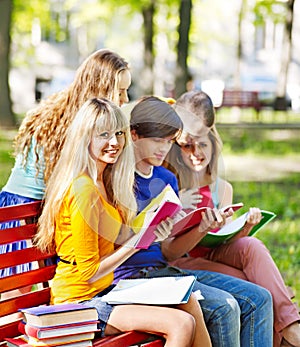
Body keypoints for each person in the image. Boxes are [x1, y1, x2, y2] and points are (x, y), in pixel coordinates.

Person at [34, 97, 210, 347]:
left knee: (188, 299)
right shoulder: (84, 190)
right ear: (85, 137)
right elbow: (89, 274)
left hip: (104, 293)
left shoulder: (103, 181)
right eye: (103, 134)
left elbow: (115, 239)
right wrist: (138, 242)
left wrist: (151, 227)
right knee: (180, 323)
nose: (115, 142)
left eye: (118, 133)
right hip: (79, 300)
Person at [114, 95, 274, 347]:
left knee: (260, 297)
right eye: (158, 141)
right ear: (133, 135)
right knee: (226, 306)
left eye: (168, 142)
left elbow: (166, 250)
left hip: (165, 270)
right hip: (132, 277)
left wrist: (198, 226)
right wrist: (147, 229)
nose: (164, 149)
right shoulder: (118, 179)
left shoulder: (167, 179)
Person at [165, 90, 300, 347]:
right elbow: (168, 250)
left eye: (202, 143)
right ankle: (285, 335)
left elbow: (225, 242)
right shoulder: (170, 180)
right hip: (186, 260)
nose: (195, 152)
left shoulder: (220, 187)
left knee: (251, 245)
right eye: (186, 145)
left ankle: (291, 326)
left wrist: (245, 226)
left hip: (211, 253)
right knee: (255, 286)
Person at [0, 48, 131, 293]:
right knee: (19, 295)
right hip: (21, 211)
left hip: (43, 210)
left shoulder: (68, 108)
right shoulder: (72, 123)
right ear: (100, 87)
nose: (124, 99)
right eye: (120, 91)